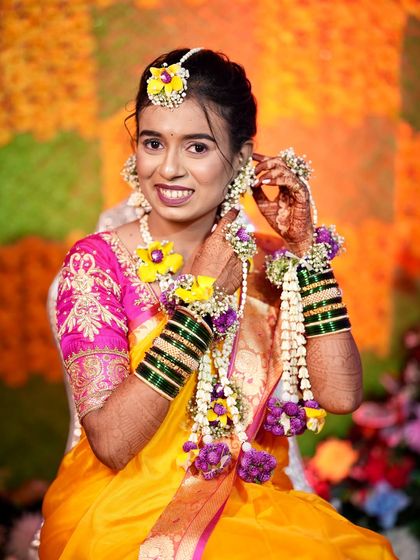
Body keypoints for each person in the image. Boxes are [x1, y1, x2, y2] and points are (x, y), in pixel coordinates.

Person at [39, 48, 396, 559]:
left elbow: (340, 396)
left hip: (250, 506)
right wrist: (199, 305)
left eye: (198, 147)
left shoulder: (273, 264)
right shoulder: (97, 264)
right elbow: (113, 443)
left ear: (243, 160)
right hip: (119, 516)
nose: (168, 168)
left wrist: (308, 252)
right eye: (153, 142)